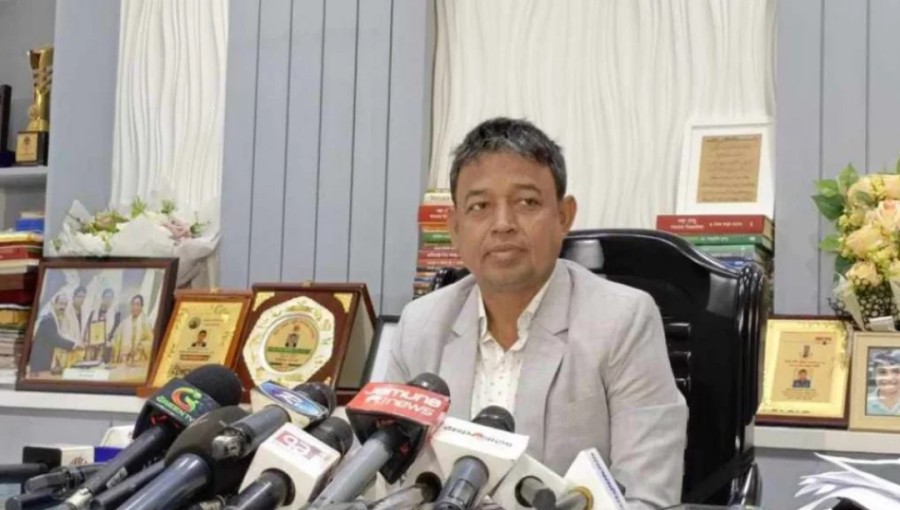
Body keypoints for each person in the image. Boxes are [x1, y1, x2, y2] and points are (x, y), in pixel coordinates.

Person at [386, 117, 688, 509]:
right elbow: (391, 482)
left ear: (564, 216)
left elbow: (648, 497)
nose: (503, 225)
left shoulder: (622, 320)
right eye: (480, 207)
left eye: (526, 202)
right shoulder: (420, 325)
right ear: (455, 228)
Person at [30, 293, 76, 373]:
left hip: (47, 359)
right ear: (54, 304)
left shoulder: (58, 319)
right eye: (61, 303)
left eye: (65, 304)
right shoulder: (48, 320)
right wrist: (73, 345)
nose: (63, 307)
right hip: (41, 361)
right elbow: (55, 339)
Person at [111, 295, 153, 365]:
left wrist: (139, 347)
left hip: (139, 360)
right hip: (124, 360)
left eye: (137, 304)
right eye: (133, 304)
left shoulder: (146, 323)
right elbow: (116, 340)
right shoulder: (124, 323)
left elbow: (150, 341)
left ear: (141, 307)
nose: (134, 307)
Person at [86, 288, 121, 362]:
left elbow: (116, 329)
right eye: (106, 297)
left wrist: (108, 339)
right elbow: (88, 327)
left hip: (107, 345)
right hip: (93, 345)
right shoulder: (94, 312)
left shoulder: (116, 314)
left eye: (110, 297)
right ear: (102, 298)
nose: (108, 299)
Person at [867, 350, 900, 416]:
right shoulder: (863, 403)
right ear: (874, 375)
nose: (889, 378)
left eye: (896, 371)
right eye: (882, 372)